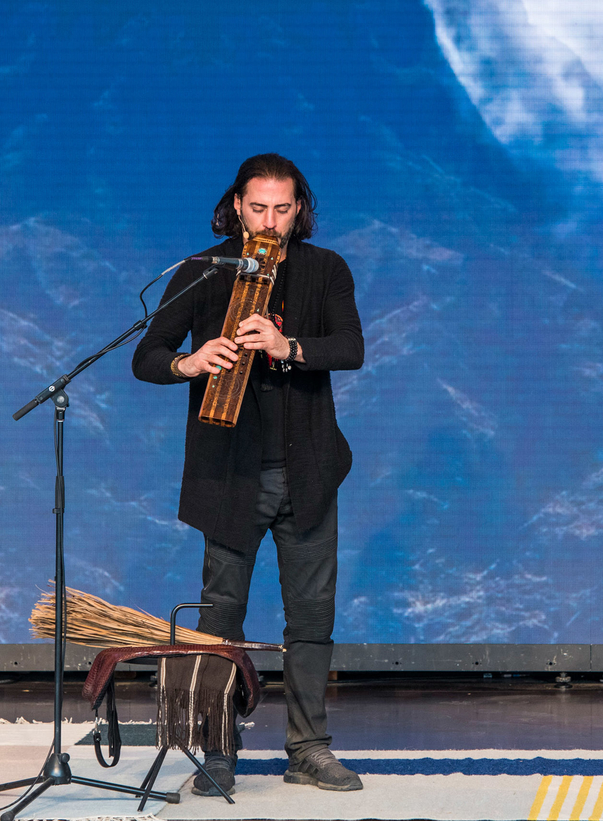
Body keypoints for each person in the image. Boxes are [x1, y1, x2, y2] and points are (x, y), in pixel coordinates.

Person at [132, 153, 365, 795]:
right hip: (229, 476)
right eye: (257, 207)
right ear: (236, 205)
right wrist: (191, 361)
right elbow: (146, 356)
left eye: (281, 209)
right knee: (220, 617)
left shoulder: (325, 269)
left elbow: (351, 347)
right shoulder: (203, 271)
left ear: (299, 210)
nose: (268, 220)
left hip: (308, 471)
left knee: (311, 617)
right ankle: (220, 749)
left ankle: (308, 749)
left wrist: (288, 347)